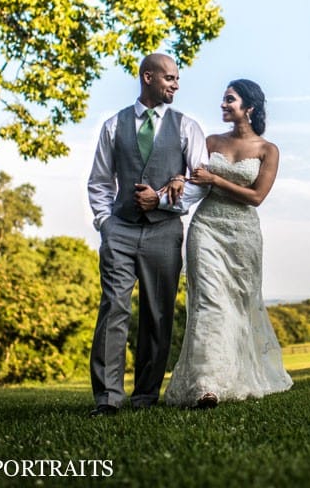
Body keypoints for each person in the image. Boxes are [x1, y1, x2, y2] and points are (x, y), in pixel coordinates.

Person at [87, 52, 208, 413]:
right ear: (148, 78)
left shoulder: (187, 126)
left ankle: (144, 397)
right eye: (169, 78)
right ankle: (108, 398)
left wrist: (161, 202)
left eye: (177, 79)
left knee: (157, 314)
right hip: (120, 231)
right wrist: (105, 223)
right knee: (113, 309)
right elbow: (99, 181)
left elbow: (200, 182)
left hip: (165, 232)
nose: (176, 84)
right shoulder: (113, 125)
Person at [163, 78, 293, 407]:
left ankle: (236, 375)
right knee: (208, 302)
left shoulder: (268, 150)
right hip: (206, 227)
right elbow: (186, 173)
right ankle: (206, 385)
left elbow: (257, 197)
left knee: (239, 304)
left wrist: (216, 178)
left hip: (243, 233)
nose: (223, 104)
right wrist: (179, 178)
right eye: (223, 99)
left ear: (249, 107)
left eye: (230, 99)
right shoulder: (209, 141)